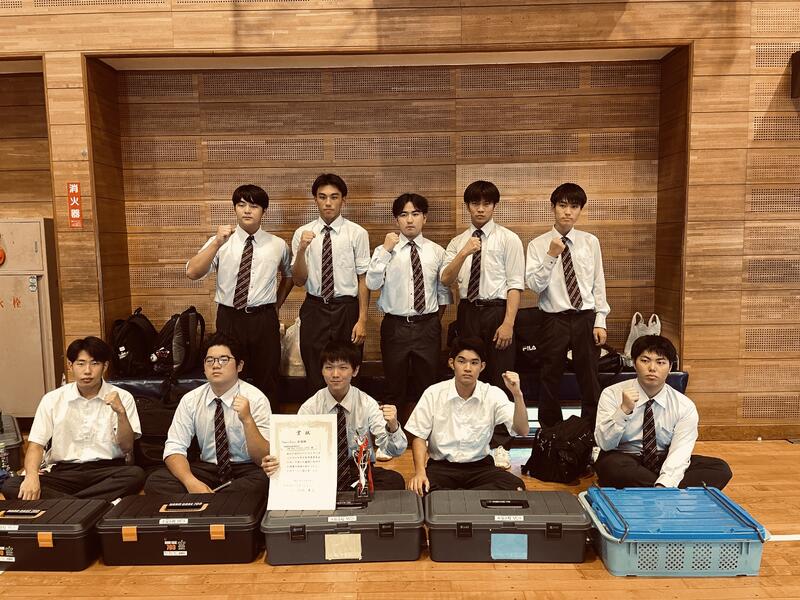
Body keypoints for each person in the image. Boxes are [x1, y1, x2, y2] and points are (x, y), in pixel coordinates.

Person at [1, 337, 144, 502]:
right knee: (12, 485)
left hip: (107, 471)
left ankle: (68, 506)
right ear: (70, 365)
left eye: (95, 363)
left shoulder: (123, 397)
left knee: (135, 475)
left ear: (105, 366)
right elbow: (36, 446)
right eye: (80, 364)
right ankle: (95, 505)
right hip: (64, 473)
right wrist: (31, 476)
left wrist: (120, 412)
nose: (87, 371)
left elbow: (127, 447)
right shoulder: (52, 399)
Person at [186, 184, 292, 406]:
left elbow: (289, 276)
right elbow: (192, 272)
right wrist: (217, 242)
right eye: (241, 205)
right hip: (229, 317)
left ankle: (266, 424)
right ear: (234, 208)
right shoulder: (220, 241)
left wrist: (277, 305)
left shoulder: (277, 244)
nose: (247, 210)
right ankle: (228, 424)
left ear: (264, 211)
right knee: (228, 376)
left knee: (268, 377)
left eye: (254, 206)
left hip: (264, 319)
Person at [262, 340, 407, 491]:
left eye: (343, 368)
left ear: (355, 370)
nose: (335, 374)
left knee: (394, 481)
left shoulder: (367, 404)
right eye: (329, 367)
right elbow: (295, 448)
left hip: (358, 469)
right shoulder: (310, 407)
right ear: (321, 370)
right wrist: (275, 462)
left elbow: (394, 451)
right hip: (321, 470)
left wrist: (393, 426)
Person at [594, 335, 732, 489]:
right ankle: (670, 492)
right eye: (645, 360)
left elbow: (680, 450)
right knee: (611, 466)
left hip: (662, 459)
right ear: (634, 363)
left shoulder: (684, 405)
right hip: (625, 458)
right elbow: (605, 444)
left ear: (670, 367)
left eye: (660, 362)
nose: (652, 368)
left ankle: (655, 490)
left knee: (720, 469)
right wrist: (624, 410)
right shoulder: (612, 394)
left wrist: (664, 483)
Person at [144, 332, 271, 497]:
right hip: (208, 469)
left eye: (224, 359)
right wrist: (191, 482)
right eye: (209, 360)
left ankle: (207, 500)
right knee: (156, 481)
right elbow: (174, 447)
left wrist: (247, 420)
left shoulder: (256, 398)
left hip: (245, 469)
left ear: (239, 366)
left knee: (266, 480)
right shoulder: (191, 399)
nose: (215, 365)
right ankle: (224, 500)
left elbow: (262, 458)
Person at [526, 183, 609, 428]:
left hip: (585, 317)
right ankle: (551, 433)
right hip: (553, 319)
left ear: (580, 210)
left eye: (574, 206)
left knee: (590, 378)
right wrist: (551, 255)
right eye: (562, 205)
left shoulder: (590, 241)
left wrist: (600, 320)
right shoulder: (537, 244)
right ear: (553, 207)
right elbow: (534, 286)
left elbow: (598, 283)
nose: (568, 212)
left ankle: (589, 433)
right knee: (549, 377)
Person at [365, 193, 451, 423]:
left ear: (425, 218)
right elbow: (372, 283)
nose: (410, 220)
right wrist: (385, 251)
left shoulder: (436, 251)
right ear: (396, 220)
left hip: (428, 326)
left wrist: (432, 321)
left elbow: (443, 293)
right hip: (395, 326)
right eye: (403, 215)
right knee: (394, 387)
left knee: (429, 387)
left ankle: (428, 435)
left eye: (415, 214)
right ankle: (392, 435)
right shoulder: (384, 250)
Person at [405, 337, 529, 494]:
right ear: (452, 363)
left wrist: (517, 394)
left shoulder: (492, 394)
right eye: (462, 361)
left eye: (474, 363)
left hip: (480, 467)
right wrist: (420, 473)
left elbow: (522, 430)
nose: (468, 368)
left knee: (515, 486)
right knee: (422, 489)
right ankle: (472, 499)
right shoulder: (433, 393)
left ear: (482, 367)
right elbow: (419, 437)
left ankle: (455, 499)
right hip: (442, 467)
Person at [291, 173, 371, 393]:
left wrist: (362, 319)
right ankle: (318, 413)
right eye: (322, 197)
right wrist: (301, 250)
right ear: (315, 199)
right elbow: (298, 279)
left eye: (334, 197)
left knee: (350, 366)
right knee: (314, 368)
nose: (328, 202)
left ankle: (350, 414)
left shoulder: (357, 233)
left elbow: (363, 278)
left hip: (347, 308)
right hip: (314, 307)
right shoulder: (302, 233)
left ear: (343, 200)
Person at [441, 181, 524, 390]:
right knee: (469, 374)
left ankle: (502, 413)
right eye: (475, 203)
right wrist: (464, 252)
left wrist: (508, 323)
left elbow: (515, 284)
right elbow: (445, 279)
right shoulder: (458, 242)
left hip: (498, 312)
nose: (480, 209)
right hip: (468, 311)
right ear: (467, 206)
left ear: (494, 206)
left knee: (501, 374)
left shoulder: (509, 239)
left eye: (486, 204)